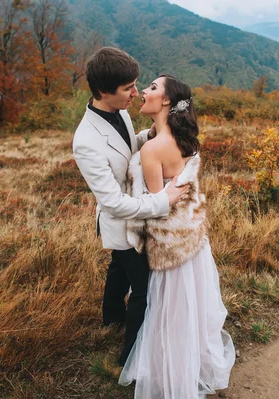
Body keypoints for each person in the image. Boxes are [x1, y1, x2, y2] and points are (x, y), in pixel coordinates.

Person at [119, 75, 235, 398]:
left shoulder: (153, 150)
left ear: (167, 102)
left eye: (153, 88)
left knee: (170, 315)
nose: (144, 90)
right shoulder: (186, 141)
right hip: (195, 241)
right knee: (193, 309)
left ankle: (171, 377)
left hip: (171, 247)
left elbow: (158, 207)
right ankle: (193, 365)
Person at [72, 48, 189, 366]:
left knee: (118, 267)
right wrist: (163, 201)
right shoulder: (86, 142)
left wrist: (151, 136)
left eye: (137, 85)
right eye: (129, 89)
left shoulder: (118, 111)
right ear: (103, 92)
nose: (136, 94)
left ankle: (111, 316)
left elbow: (125, 147)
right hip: (124, 219)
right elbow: (112, 203)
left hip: (134, 209)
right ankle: (131, 355)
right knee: (143, 288)